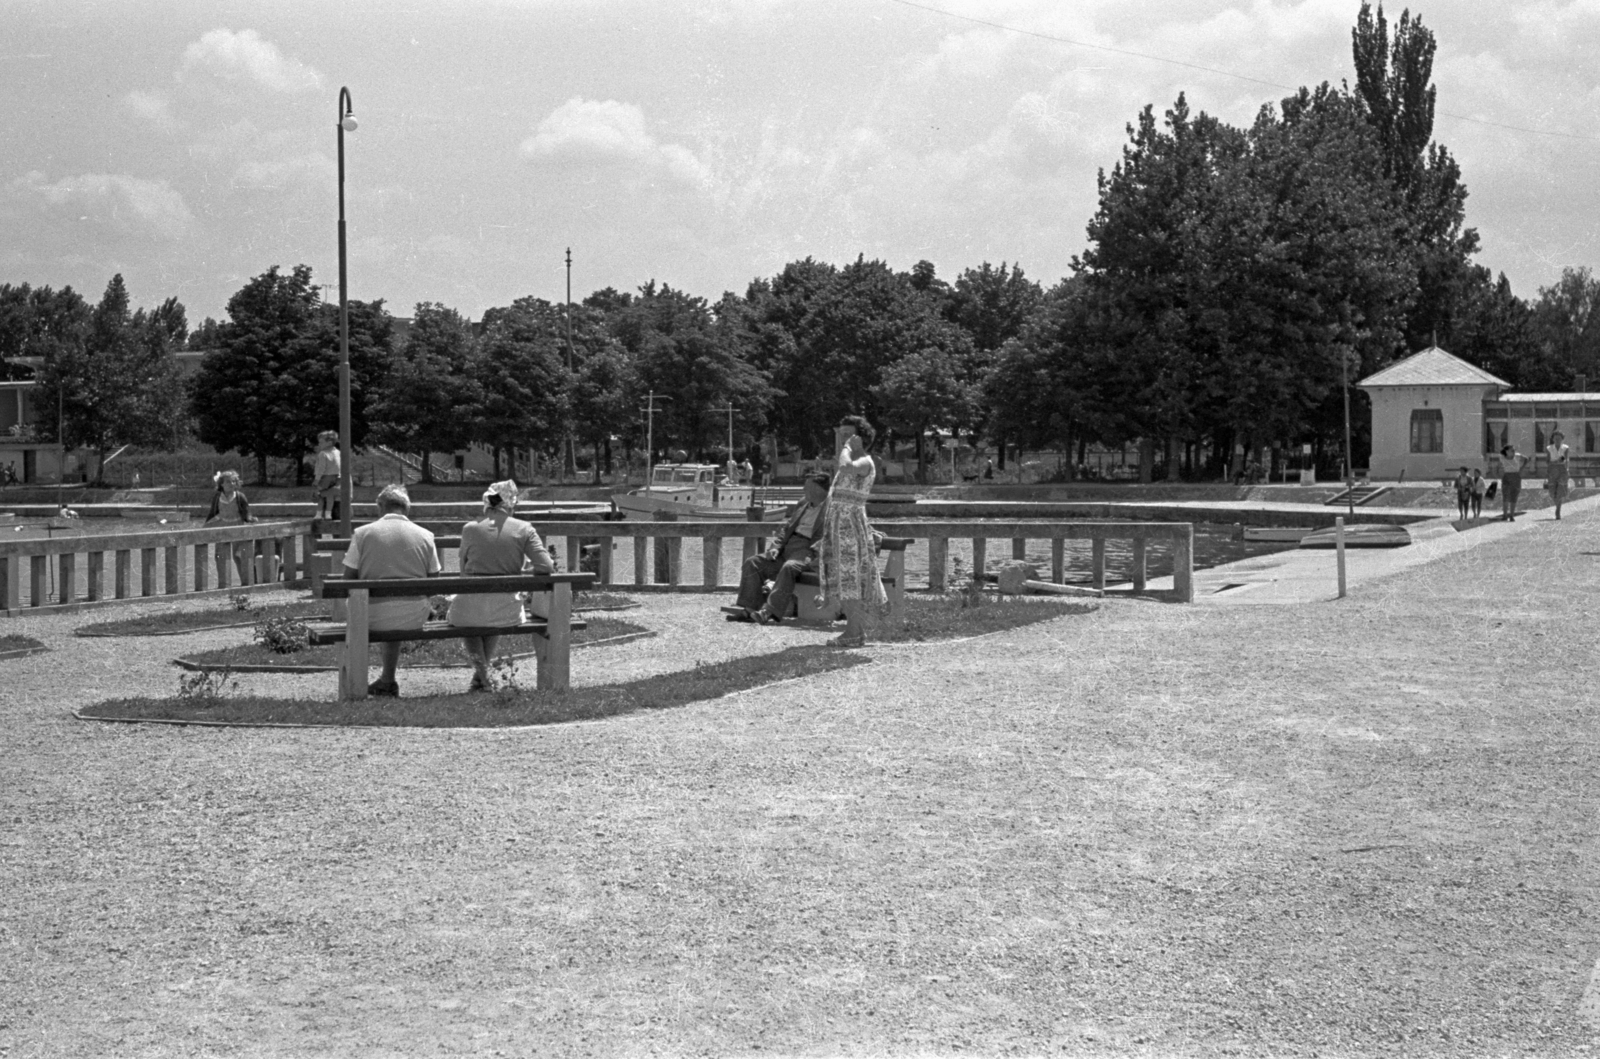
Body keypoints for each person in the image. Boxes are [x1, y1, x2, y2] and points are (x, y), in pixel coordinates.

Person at [448, 479, 553, 692]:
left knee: (472, 611)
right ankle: (483, 679)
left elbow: (463, 572)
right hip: (507, 610)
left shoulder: (469, 529)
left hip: (469, 608)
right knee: (493, 609)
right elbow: (546, 566)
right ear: (511, 504)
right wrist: (521, 572)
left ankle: (482, 677)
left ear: (487, 503)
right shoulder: (524, 529)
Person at [341, 484, 441, 697]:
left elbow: (348, 579)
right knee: (397, 608)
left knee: (365, 608)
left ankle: (366, 681)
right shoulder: (426, 535)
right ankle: (387, 679)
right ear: (407, 508)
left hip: (370, 616)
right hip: (414, 615)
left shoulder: (362, 533)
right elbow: (434, 581)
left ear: (380, 507)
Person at [818, 415, 887, 647]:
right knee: (843, 576)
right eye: (841, 434)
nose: (843, 439)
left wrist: (847, 448)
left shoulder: (863, 461)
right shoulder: (848, 460)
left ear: (860, 438)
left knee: (851, 578)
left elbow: (846, 466)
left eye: (848, 435)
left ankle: (854, 633)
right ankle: (854, 631)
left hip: (849, 526)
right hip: (839, 525)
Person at [729, 473, 829, 624]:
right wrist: (776, 547)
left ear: (817, 489)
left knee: (790, 567)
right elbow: (786, 529)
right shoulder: (802, 503)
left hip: (808, 549)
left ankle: (769, 612)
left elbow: (831, 537)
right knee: (753, 563)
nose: (803, 489)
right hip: (787, 547)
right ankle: (749, 610)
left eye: (807, 486)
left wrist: (816, 551)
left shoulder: (832, 508)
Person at [204, 470, 257, 585]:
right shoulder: (218, 497)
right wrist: (205, 526)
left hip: (238, 527)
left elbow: (246, 511)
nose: (231, 484)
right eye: (228, 482)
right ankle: (224, 584)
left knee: (240, 556)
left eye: (233, 481)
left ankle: (246, 583)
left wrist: (250, 519)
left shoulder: (239, 496)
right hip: (223, 529)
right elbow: (212, 513)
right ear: (221, 484)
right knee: (221, 557)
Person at [313, 431, 341, 523]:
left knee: (320, 495)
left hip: (325, 478)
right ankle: (328, 514)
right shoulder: (338, 452)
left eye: (321, 442)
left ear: (329, 443)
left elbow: (321, 469)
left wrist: (316, 480)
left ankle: (318, 514)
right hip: (336, 478)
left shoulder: (323, 454)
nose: (319, 444)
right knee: (330, 495)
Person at [1499, 444, 1529, 521]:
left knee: (1514, 496)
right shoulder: (1502, 457)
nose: (1513, 451)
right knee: (1505, 496)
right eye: (1511, 450)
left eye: (1514, 450)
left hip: (1516, 476)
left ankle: (1512, 515)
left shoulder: (1517, 456)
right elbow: (1498, 465)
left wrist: (1521, 468)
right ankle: (1505, 515)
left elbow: (1526, 459)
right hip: (1506, 476)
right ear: (1507, 451)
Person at [1546, 430, 1571, 520]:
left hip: (1562, 469)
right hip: (1552, 469)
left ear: (1562, 439)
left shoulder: (1565, 448)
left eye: (1559, 438)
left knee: (1560, 490)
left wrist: (1567, 469)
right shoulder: (1549, 448)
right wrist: (1554, 462)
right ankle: (1557, 506)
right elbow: (1547, 461)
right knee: (1553, 492)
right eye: (1555, 438)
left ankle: (1558, 510)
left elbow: (1567, 459)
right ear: (1553, 438)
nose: (1557, 440)